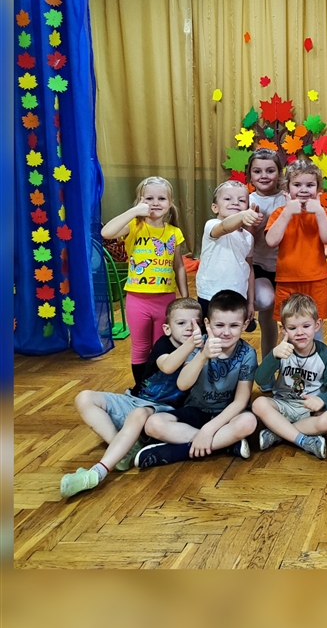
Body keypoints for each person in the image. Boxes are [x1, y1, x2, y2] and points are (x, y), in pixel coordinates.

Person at [60, 298, 203, 497]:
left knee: (139, 414)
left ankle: (100, 470)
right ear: (167, 329)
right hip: (133, 400)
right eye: (181, 323)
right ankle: (123, 449)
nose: (189, 328)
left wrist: (195, 346)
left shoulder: (198, 352)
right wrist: (191, 343)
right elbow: (168, 365)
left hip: (162, 411)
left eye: (195, 323)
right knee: (84, 398)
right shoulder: (163, 344)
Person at [135, 290, 258, 468]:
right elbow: (182, 384)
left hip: (228, 415)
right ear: (207, 323)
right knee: (153, 424)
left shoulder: (248, 354)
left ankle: (178, 452)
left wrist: (209, 429)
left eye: (234, 325)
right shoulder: (197, 344)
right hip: (196, 410)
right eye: (219, 325)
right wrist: (203, 355)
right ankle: (225, 444)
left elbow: (240, 401)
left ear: (245, 324)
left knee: (248, 422)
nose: (226, 332)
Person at [100, 176, 188, 385]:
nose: (155, 203)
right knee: (140, 347)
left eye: (161, 198)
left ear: (170, 203)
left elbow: (179, 266)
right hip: (137, 300)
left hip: (165, 299)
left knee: (161, 346)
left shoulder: (174, 232)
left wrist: (185, 298)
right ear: (140, 201)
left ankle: (157, 388)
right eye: (149, 198)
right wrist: (134, 212)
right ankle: (141, 388)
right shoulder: (133, 226)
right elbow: (106, 233)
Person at [252, 293, 327, 460]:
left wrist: (322, 400)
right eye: (293, 328)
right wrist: (273, 355)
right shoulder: (282, 351)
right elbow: (260, 380)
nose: (300, 333)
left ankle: (279, 432)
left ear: (317, 325)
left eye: (306, 326)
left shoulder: (324, 354)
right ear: (283, 329)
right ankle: (303, 440)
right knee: (258, 404)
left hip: (310, 410)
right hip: (283, 405)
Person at [265, 159, 327, 330]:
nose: (304, 190)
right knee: (288, 328)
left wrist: (319, 211)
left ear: (318, 189)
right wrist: (288, 212)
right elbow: (271, 241)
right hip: (287, 281)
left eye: (310, 185)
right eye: (297, 185)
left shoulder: (323, 213)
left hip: (316, 280)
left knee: (315, 327)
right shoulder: (279, 213)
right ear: (287, 188)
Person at [195, 180, 262, 321]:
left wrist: (250, 302)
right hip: (210, 294)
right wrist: (241, 216)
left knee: (233, 330)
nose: (235, 203)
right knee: (209, 331)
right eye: (227, 199)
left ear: (247, 207)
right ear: (215, 208)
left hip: (238, 295)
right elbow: (225, 227)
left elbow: (249, 268)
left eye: (242, 200)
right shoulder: (212, 225)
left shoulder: (248, 237)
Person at [247, 149, 288, 359]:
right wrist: (251, 226)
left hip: (285, 267)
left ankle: (271, 364)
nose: (264, 176)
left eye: (270, 171)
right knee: (265, 302)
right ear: (250, 174)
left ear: (279, 173)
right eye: (257, 171)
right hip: (259, 266)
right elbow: (242, 240)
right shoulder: (246, 201)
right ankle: (243, 309)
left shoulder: (287, 198)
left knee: (276, 319)